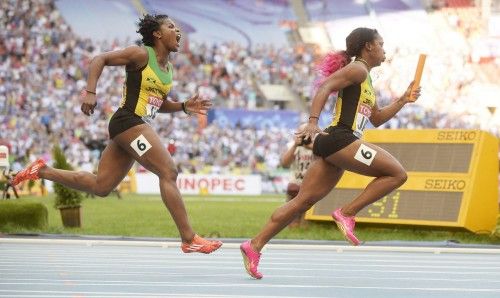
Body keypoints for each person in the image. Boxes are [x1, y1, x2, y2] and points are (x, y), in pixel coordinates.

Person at [11, 14, 222, 254]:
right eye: (171, 26)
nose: (178, 31)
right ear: (157, 33)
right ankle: (188, 238)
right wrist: (91, 91)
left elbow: (158, 103)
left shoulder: (168, 68)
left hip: (132, 126)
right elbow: (99, 58)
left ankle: (42, 170)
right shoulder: (141, 54)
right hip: (128, 121)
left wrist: (183, 106)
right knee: (168, 171)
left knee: (102, 186)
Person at [240, 27, 421, 279]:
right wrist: (312, 121)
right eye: (381, 44)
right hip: (339, 138)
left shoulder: (366, 77)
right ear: (368, 46)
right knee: (397, 174)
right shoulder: (357, 69)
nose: (384, 50)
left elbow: (377, 119)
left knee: (302, 201)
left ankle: (254, 245)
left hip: (336, 144)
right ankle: (346, 212)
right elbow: (324, 86)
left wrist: (402, 100)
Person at [280, 123, 314, 228]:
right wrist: (295, 145)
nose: (305, 136)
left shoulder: (318, 145)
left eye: (307, 133)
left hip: (312, 184)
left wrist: (311, 147)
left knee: (306, 221)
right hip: (296, 183)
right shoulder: (292, 145)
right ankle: (293, 224)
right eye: (302, 133)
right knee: (292, 218)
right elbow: (284, 163)